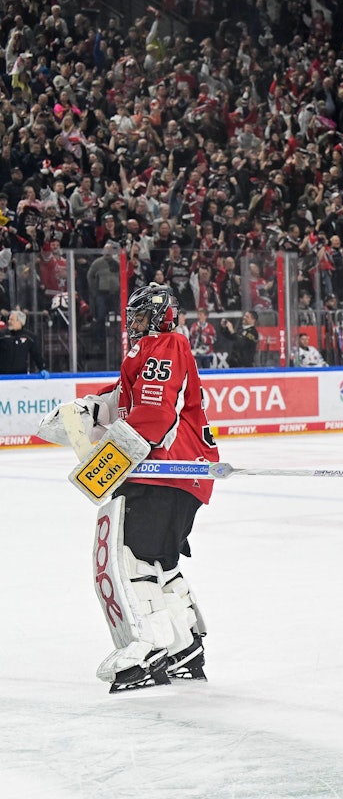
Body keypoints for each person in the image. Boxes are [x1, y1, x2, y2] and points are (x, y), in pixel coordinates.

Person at [38, 283, 218, 690]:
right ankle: (183, 645)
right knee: (160, 563)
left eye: (140, 316)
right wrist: (83, 411)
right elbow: (121, 400)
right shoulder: (146, 354)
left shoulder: (166, 344)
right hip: (177, 476)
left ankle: (147, 648)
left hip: (166, 473)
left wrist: (103, 461)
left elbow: (153, 416)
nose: (133, 324)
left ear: (159, 317)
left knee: (134, 560)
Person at [0, 309, 48, 375]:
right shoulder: (2, 334)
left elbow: (36, 355)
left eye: (12, 320)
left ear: (20, 322)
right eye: (9, 319)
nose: (9, 321)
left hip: (21, 377)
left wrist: (43, 368)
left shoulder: (29, 337)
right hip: (3, 376)